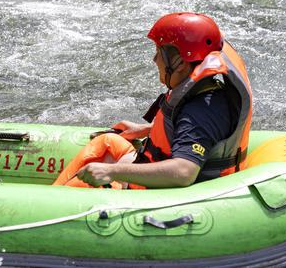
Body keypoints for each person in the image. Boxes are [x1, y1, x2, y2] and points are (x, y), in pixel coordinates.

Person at [53, 13, 253, 189]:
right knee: (108, 142)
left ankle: (50, 206)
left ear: (180, 63)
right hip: (150, 169)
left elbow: (184, 171)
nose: (154, 59)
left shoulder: (199, 111)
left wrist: (111, 172)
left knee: (84, 184)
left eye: (159, 53)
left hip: (163, 197)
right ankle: (55, 194)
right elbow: (189, 132)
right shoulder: (205, 93)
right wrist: (148, 128)